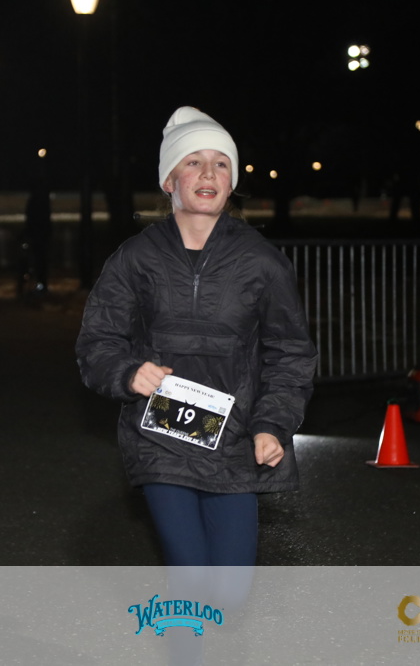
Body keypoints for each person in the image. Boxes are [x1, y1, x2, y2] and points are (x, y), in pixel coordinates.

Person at [75, 106, 318, 568]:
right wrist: (128, 372)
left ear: (231, 182)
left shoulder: (263, 262)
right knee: (190, 572)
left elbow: (290, 353)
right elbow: (98, 341)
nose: (208, 172)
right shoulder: (134, 258)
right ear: (170, 180)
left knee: (229, 587)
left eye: (221, 163)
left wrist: (272, 424)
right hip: (160, 438)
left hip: (235, 440)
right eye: (193, 161)